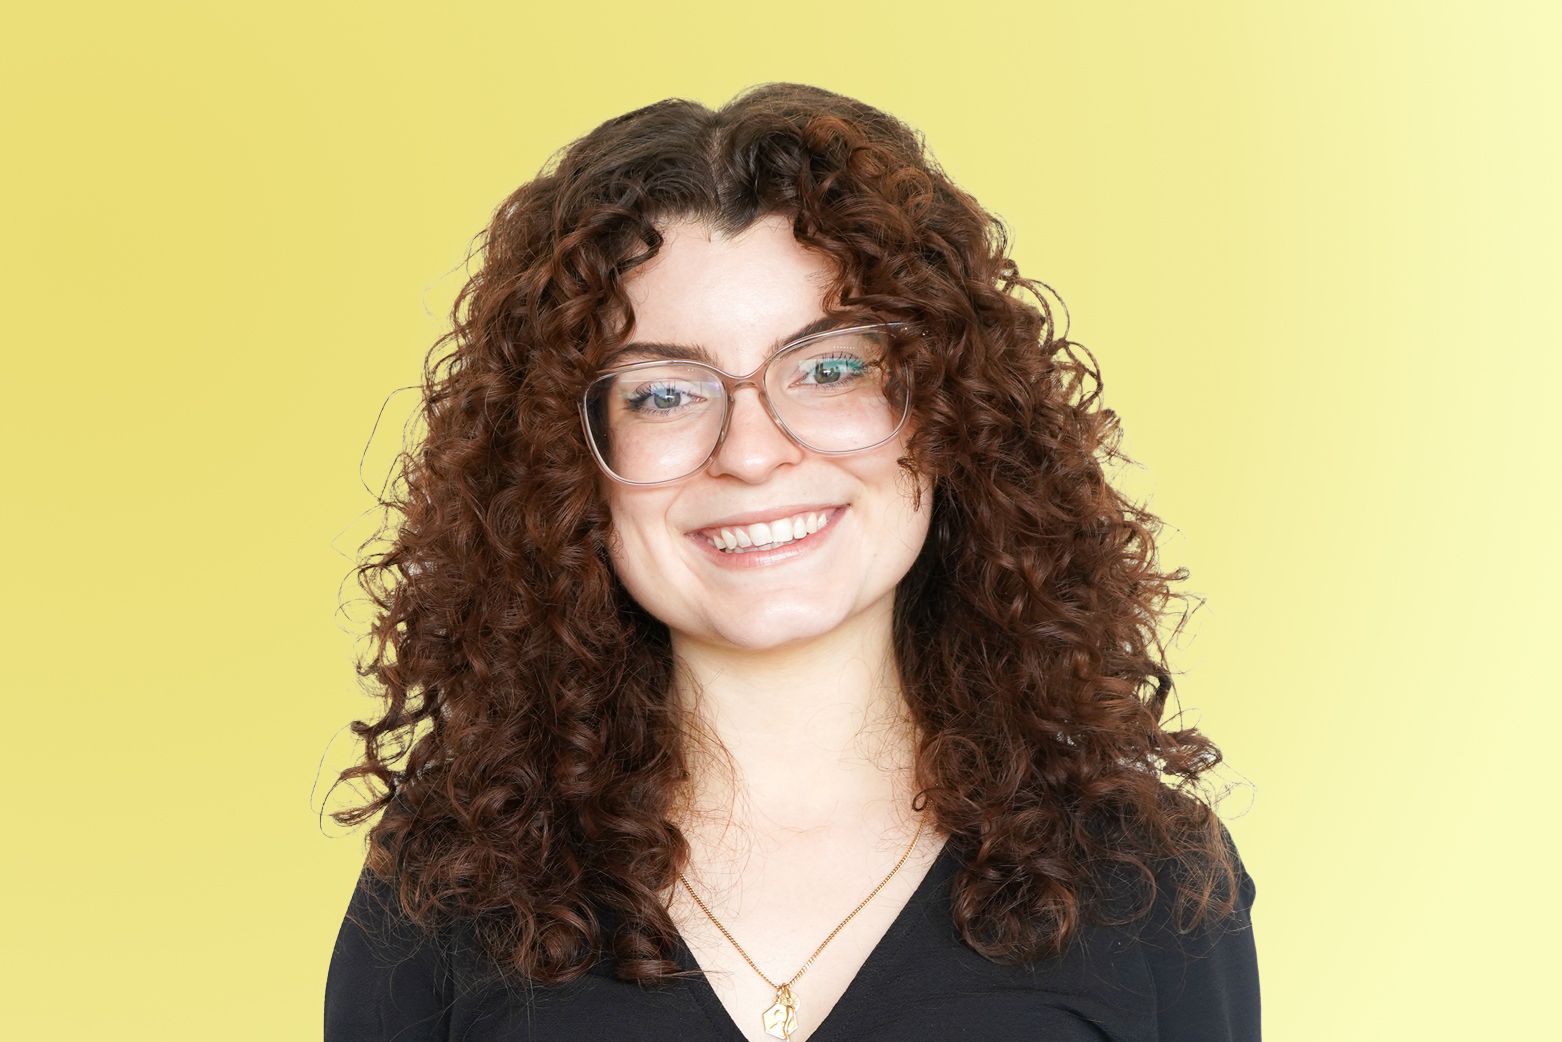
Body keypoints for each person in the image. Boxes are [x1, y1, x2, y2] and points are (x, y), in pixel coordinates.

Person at [324, 82, 1260, 1042]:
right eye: (663, 394)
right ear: (567, 464)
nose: (751, 452)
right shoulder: (449, 881)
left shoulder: (1151, 880)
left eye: (829, 369)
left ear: (947, 412)